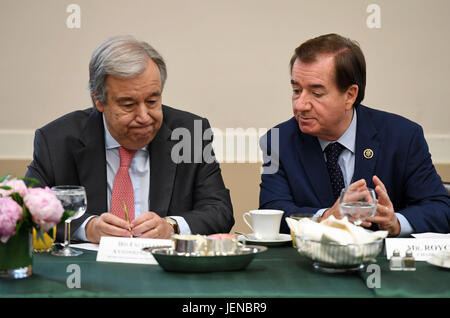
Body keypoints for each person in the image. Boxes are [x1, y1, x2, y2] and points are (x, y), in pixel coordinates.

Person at [26, 35, 234, 243]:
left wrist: (171, 226)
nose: (144, 117)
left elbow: (219, 211)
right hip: (89, 271)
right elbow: (26, 211)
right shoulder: (57, 140)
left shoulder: (189, 133)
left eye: (152, 101)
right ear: (99, 99)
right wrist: (87, 228)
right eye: (128, 105)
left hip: (166, 270)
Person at [259, 33, 450, 236]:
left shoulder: (403, 137)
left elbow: (440, 208)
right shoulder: (277, 140)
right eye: (296, 90)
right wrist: (324, 218)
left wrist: (396, 223)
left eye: (316, 93)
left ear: (350, 95)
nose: (300, 105)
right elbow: (272, 212)